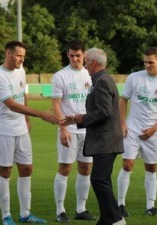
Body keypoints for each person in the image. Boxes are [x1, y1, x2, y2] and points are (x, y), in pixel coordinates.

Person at [0, 41, 58, 225]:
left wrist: (26, 119)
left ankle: (25, 214)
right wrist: (40, 114)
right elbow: (11, 104)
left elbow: (22, 93)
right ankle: (6, 216)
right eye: (19, 55)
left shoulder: (21, 70)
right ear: (8, 53)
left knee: (27, 168)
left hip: (21, 129)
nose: (22, 59)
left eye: (23, 56)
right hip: (3, 130)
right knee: (5, 171)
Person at [62, 47, 126, 225]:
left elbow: (105, 112)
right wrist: (79, 119)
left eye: (87, 61)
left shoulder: (102, 81)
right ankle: (107, 219)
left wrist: (82, 118)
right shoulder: (99, 79)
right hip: (105, 140)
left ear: (94, 62)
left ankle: (116, 218)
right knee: (102, 179)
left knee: (98, 179)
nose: (85, 65)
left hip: (106, 140)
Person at [117, 47, 157, 217]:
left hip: (153, 133)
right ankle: (120, 204)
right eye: (145, 62)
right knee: (127, 165)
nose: (147, 65)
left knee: (151, 168)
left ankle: (150, 206)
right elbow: (123, 100)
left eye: (151, 62)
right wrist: (122, 124)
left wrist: (154, 129)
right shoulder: (134, 78)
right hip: (132, 130)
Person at [51, 39, 95, 223]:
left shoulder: (90, 74)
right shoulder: (60, 76)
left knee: (86, 169)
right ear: (67, 55)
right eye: (71, 55)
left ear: (84, 55)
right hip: (69, 130)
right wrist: (63, 128)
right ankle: (60, 210)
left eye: (78, 55)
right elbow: (56, 104)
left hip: (89, 130)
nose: (75, 59)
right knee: (65, 168)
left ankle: (81, 209)